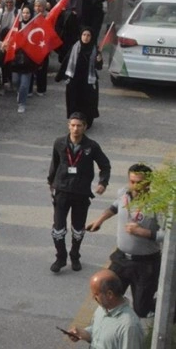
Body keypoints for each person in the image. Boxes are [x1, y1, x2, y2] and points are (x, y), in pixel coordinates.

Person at [86, 163, 163, 318]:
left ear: (148, 183)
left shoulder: (158, 204)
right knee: (106, 294)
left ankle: (164, 306)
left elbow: (168, 235)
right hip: (121, 259)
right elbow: (114, 206)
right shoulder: (123, 194)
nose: (135, 186)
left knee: (141, 309)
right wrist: (100, 220)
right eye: (132, 181)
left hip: (145, 264)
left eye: (139, 182)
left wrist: (144, 232)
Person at [47, 112, 111, 273]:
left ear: (85, 127)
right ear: (68, 125)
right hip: (61, 191)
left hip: (81, 194)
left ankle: (75, 255)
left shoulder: (92, 146)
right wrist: (51, 182)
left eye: (79, 126)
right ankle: (60, 258)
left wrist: (103, 183)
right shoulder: (59, 143)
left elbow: (105, 165)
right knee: (58, 228)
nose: (75, 129)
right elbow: (54, 164)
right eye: (73, 125)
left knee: (78, 228)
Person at [66, 269, 145, 348]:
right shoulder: (102, 309)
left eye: (96, 294)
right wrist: (84, 333)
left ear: (109, 294)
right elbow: (99, 332)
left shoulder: (129, 327)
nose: (93, 298)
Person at [57, 28, 103, 129]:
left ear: (91, 37)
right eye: (84, 35)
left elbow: (99, 67)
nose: (86, 38)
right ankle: (75, 122)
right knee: (74, 102)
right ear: (81, 36)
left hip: (89, 81)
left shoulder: (95, 49)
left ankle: (87, 122)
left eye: (88, 35)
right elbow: (66, 62)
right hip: (75, 80)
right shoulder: (75, 47)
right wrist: (60, 76)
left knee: (88, 102)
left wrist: (99, 60)